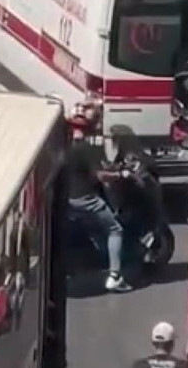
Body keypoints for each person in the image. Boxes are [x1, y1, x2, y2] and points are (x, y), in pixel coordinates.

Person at [66, 106, 131, 293]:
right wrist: (121, 174)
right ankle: (115, 276)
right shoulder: (85, 149)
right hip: (85, 198)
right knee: (115, 228)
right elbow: (101, 176)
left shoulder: (65, 146)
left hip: (68, 199)